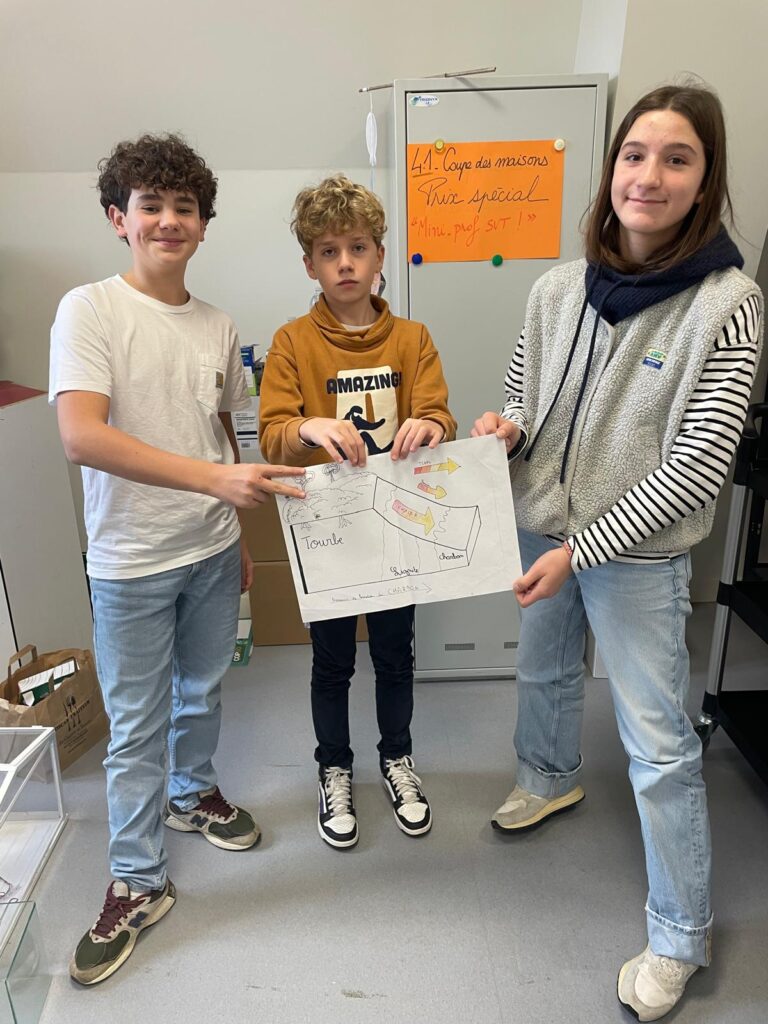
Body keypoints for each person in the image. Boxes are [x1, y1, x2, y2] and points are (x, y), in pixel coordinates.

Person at [471, 85, 763, 1020]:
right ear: (611, 169)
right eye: (635, 154)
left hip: (635, 557)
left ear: (705, 181)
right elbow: (523, 397)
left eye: (678, 159)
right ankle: (548, 780)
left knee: (659, 745)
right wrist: (504, 432)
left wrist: (582, 550)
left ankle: (680, 934)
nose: (649, 175)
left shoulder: (728, 304)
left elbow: (697, 469)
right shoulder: (556, 288)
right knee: (543, 668)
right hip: (542, 523)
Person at [49, 133, 305, 985]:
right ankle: (138, 880)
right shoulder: (89, 310)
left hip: (210, 550)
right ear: (118, 218)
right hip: (129, 561)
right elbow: (82, 436)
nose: (168, 220)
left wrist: (235, 536)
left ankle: (192, 795)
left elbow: (223, 428)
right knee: (135, 725)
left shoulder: (218, 325)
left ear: (203, 224)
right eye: (150, 206)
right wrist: (213, 481)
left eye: (184, 208)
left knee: (202, 689)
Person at [259, 175, 456, 848]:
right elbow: (273, 434)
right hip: (329, 535)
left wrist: (431, 425)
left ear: (378, 257)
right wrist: (307, 427)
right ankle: (334, 767)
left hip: (397, 530)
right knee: (333, 663)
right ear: (309, 264)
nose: (345, 263)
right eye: (328, 251)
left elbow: (440, 414)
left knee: (396, 657)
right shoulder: (291, 342)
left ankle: (397, 758)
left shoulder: (413, 339)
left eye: (358, 248)